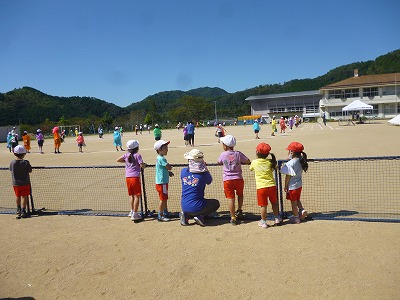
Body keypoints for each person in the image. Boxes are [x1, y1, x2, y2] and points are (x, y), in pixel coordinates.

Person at [180, 149, 220, 226]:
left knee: (197, 204)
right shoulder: (203, 174)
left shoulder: (183, 171)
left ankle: (186, 215)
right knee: (216, 203)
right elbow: (209, 181)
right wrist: (204, 169)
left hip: (184, 205)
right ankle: (200, 216)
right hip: (197, 205)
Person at [217, 135, 251, 225]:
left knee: (230, 198)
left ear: (225, 146)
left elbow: (219, 161)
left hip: (227, 179)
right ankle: (239, 210)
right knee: (240, 194)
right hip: (238, 178)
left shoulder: (223, 154)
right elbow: (248, 160)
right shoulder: (238, 154)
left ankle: (233, 217)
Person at [249, 143, 282, 228]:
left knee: (263, 205)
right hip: (271, 186)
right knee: (274, 203)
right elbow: (276, 167)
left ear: (257, 152)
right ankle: (277, 218)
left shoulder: (254, 162)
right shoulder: (270, 162)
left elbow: (251, 168)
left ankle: (263, 221)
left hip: (261, 187)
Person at [117, 140, 147, 222]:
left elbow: (118, 160)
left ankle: (132, 211)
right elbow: (141, 165)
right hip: (135, 177)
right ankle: (135, 213)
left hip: (128, 177)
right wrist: (144, 165)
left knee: (132, 195)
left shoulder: (126, 155)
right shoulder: (138, 155)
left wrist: (126, 162)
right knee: (137, 196)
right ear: (136, 148)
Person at [280, 142, 309, 224]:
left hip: (292, 186)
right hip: (299, 184)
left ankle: (296, 217)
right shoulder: (301, 160)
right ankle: (302, 210)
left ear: (292, 152)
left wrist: (285, 186)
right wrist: (290, 156)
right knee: (297, 200)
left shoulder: (290, 163)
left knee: (293, 203)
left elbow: (288, 176)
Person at [10, 145, 32, 219]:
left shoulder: (12, 162)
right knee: (24, 196)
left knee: (17, 196)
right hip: (25, 183)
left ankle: (18, 209)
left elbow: (11, 170)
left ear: (14, 153)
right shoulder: (25, 162)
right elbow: (30, 170)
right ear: (24, 154)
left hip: (15, 183)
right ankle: (23, 210)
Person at [154, 140, 173, 222]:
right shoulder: (162, 159)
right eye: (165, 148)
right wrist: (170, 168)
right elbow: (168, 167)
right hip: (162, 183)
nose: (167, 149)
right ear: (159, 150)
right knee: (163, 199)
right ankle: (160, 215)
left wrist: (168, 173)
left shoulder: (159, 158)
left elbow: (163, 170)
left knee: (164, 198)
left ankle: (165, 212)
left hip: (161, 182)